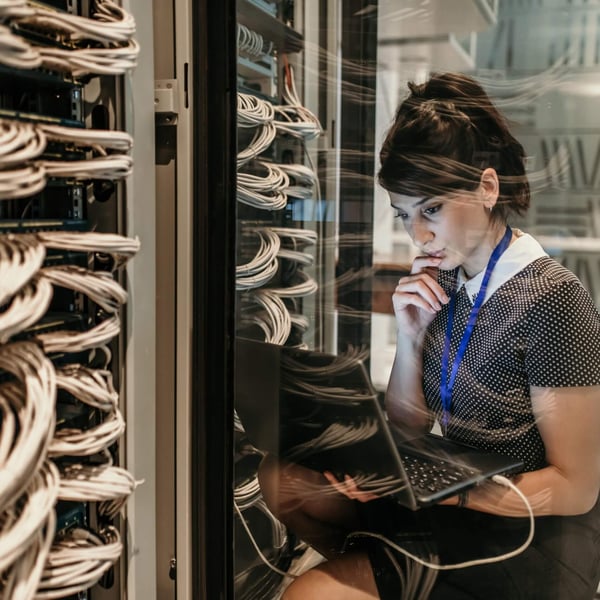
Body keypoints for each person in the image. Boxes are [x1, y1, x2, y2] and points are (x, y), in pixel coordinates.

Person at [258, 72, 600, 599]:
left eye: (432, 210)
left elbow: (577, 488)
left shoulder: (552, 299)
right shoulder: (443, 277)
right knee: (283, 481)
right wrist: (411, 336)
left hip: (532, 536)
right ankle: (388, 572)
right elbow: (408, 423)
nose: (417, 235)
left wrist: (442, 494)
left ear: (488, 187)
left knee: (309, 594)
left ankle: (380, 576)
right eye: (404, 215)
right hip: (455, 495)